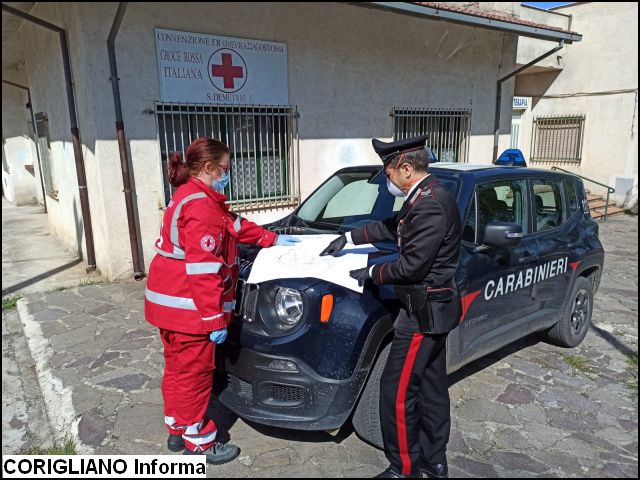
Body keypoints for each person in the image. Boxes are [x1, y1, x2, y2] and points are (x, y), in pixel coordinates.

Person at [144, 137, 300, 465]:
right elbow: (204, 272)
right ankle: (197, 442)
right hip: (189, 310)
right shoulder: (201, 206)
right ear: (210, 168)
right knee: (197, 376)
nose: (228, 174)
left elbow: (233, 225)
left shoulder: (192, 196)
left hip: (169, 306)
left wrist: (271, 239)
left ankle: (177, 429)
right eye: (226, 168)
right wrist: (215, 321)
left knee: (176, 370)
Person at [320, 135, 462, 478]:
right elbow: (393, 227)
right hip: (433, 309)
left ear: (407, 169)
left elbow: (411, 266)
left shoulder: (429, 203)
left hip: (421, 314)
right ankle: (434, 461)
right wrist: (349, 238)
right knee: (431, 388)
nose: (387, 180)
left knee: (396, 392)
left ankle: (404, 469)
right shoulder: (426, 196)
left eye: (388, 172)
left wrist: (369, 271)